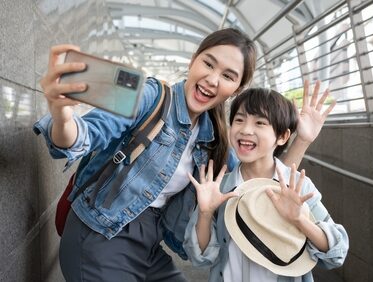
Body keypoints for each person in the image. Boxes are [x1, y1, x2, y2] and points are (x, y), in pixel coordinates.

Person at [33, 27, 332, 281]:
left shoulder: (215, 140)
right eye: (208, 64)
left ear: (236, 90)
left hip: (150, 244)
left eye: (228, 76)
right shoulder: (148, 94)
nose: (213, 79)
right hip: (100, 233)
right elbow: (84, 135)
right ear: (193, 61)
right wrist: (62, 115)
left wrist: (302, 141)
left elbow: (260, 185)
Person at [183, 88, 349, 281]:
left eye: (260, 122)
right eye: (239, 120)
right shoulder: (221, 188)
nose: (245, 129)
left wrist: (299, 220)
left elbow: (337, 253)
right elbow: (199, 257)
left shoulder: (298, 187)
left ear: (283, 137)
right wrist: (204, 214)